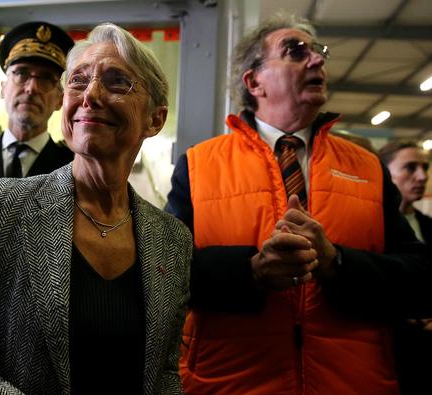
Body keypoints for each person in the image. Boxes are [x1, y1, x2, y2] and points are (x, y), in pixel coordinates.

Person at [0, 23, 192, 394]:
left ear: (155, 119)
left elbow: (165, 373)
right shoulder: (3, 206)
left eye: (116, 82)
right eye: (78, 81)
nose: (90, 95)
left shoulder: (172, 239)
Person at [165, 13, 431, 395]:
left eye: (319, 52)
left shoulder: (367, 167)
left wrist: (337, 263)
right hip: (231, 384)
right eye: (295, 52)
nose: (319, 60)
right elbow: (166, 273)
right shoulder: (198, 165)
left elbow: (421, 277)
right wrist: (251, 271)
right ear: (254, 81)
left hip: (354, 383)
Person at [0, 21, 74, 177]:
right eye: (21, 73)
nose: (31, 88)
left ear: (59, 100)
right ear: (3, 88)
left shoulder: (72, 169)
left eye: (46, 79)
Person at [378, 140, 432, 394]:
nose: (422, 176)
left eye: (425, 167)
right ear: (384, 173)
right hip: (387, 349)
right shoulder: (369, 226)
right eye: (410, 168)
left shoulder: (428, 225)